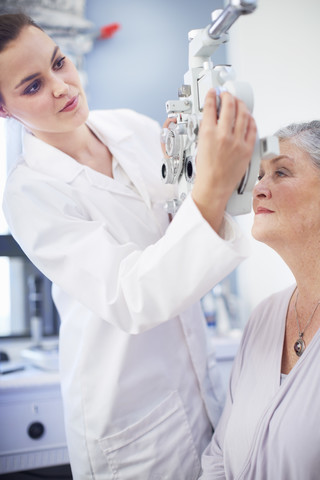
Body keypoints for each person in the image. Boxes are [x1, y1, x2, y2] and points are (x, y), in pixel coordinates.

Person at [0, 13, 257, 480]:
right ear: (3, 109)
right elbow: (129, 296)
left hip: (197, 386)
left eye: (59, 63)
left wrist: (202, 178)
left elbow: (178, 223)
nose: (61, 85)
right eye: (32, 86)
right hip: (130, 423)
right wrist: (210, 191)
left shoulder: (131, 128)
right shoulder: (30, 192)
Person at [200, 120, 320, 480]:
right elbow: (219, 455)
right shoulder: (265, 317)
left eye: (281, 172)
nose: (258, 190)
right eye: (259, 175)